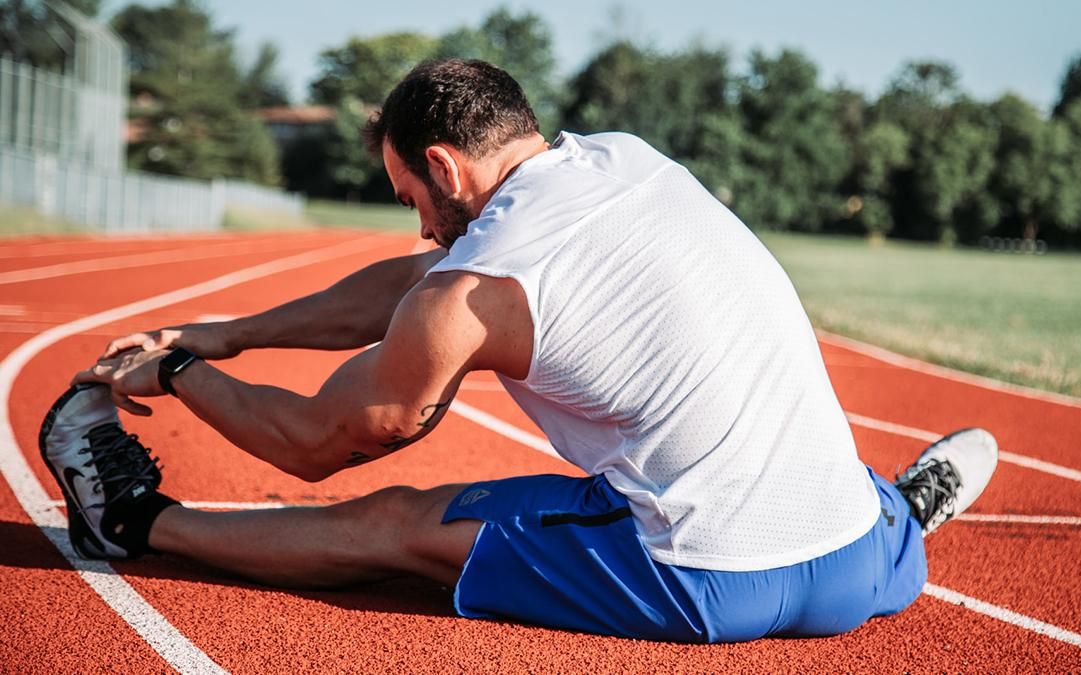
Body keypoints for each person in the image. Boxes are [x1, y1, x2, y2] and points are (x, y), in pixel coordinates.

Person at [41, 58, 998, 643]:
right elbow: (419, 280)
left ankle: (135, 524)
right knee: (800, 451)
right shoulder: (623, 159)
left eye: (411, 198)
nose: (420, 227)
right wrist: (229, 332)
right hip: (853, 564)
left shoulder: (472, 288)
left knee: (394, 523)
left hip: (702, 575)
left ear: (444, 166)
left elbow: (318, 441)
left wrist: (180, 371)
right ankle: (904, 513)